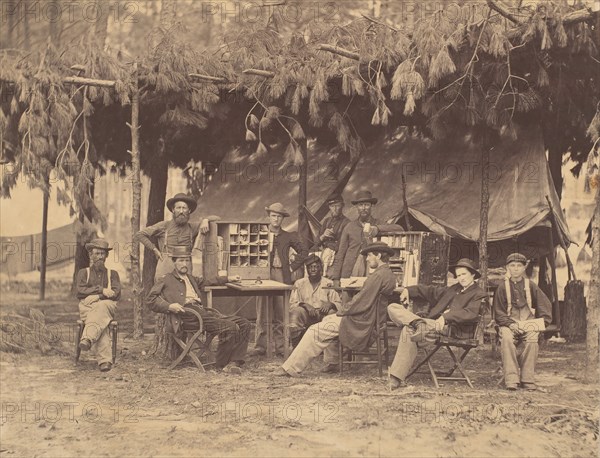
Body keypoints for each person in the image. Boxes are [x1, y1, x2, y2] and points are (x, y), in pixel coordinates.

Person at [277, 242, 397, 376]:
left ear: (379, 255)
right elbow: (363, 300)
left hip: (361, 321)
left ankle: (291, 368)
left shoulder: (377, 276)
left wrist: (342, 311)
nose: (367, 259)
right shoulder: (388, 274)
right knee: (328, 319)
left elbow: (360, 301)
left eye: (369, 255)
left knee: (313, 331)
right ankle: (332, 361)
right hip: (369, 318)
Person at [146, 246, 251, 373]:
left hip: (202, 313)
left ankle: (235, 362)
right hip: (187, 316)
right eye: (181, 261)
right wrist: (169, 307)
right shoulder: (166, 279)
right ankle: (220, 365)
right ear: (174, 262)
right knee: (230, 327)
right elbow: (150, 300)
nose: (184, 264)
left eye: (187, 260)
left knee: (244, 323)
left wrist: (228, 279)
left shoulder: (191, 278)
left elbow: (208, 281)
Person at [387, 258, 487, 390]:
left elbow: (470, 313)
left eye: (464, 274)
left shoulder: (478, 293)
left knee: (408, 328)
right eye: (458, 275)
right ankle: (418, 323)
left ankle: (396, 377)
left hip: (452, 329)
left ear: (473, 274)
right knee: (393, 307)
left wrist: (446, 317)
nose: (461, 278)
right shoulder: (454, 289)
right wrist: (408, 290)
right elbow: (430, 291)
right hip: (432, 326)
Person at [249, 202, 308, 357]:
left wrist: (291, 267)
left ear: (283, 219)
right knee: (262, 309)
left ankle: (281, 346)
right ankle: (261, 345)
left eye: (279, 217)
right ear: (269, 217)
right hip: (262, 276)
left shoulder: (288, 236)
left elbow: (304, 251)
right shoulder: (260, 233)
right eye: (273, 216)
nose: (276, 219)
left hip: (281, 275)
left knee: (281, 311)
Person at [493, 253, 552, 391]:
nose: (515, 269)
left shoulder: (531, 285)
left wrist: (539, 324)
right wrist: (510, 324)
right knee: (506, 339)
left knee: (532, 339)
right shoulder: (502, 287)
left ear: (525, 267)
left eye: (519, 265)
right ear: (507, 267)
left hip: (528, 323)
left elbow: (545, 306)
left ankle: (527, 379)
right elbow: (498, 312)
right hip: (509, 323)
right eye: (512, 265)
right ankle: (512, 380)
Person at [134, 193, 218, 280]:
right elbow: (139, 234)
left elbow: (216, 218)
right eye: (178, 208)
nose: (181, 211)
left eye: (184, 208)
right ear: (173, 210)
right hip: (166, 269)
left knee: (186, 291)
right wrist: (154, 249)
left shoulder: (192, 227)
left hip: (185, 269)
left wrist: (206, 220)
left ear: (189, 210)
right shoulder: (164, 226)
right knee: (164, 291)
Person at [329, 190, 402, 281]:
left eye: (366, 205)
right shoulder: (349, 227)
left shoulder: (378, 223)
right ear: (356, 207)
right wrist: (336, 278)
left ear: (371, 206)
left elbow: (399, 228)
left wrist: (377, 229)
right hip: (349, 272)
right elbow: (340, 254)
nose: (363, 208)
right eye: (360, 205)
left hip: (371, 272)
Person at [76, 238, 121, 372]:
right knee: (101, 321)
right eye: (97, 253)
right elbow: (80, 291)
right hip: (87, 307)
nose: (100, 257)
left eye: (103, 254)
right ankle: (104, 361)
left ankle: (88, 338)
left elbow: (116, 294)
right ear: (90, 255)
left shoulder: (113, 274)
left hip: (107, 306)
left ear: (106, 256)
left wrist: (96, 296)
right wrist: (101, 291)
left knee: (101, 307)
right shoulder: (83, 273)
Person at [289, 254, 341, 348]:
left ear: (320, 268)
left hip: (322, 315)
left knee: (333, 313)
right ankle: (296, 347)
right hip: (307, 315)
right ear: (307, 269)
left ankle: (329, 349)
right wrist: (305, 305)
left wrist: (330, 304)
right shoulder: (299, 283)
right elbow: (292, 304)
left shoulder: (328, 283)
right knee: (296, 312)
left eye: (316, 267)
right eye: (310, 267)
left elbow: (339, 304)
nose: (313, 269)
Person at [311, 194, 350, 277]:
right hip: (324, 256)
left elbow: (344, 245)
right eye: (332, 206)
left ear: (342, 206)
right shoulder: (327, 221)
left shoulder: (347, 223)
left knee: (330, 279)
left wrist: (330, 245)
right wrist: (323, 236)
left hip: (337, 257)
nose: (334, 209)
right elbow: (316, 242)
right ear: (329, 207)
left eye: (337, 206)